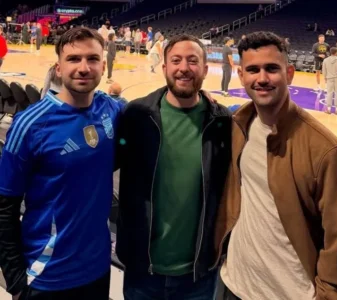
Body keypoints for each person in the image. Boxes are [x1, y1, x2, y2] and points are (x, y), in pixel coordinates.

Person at [214, 31, 337, 300]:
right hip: (233, 283)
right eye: (252, 70)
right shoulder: (239, 124)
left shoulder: (327, 150)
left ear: (290, 73)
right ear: (241, 75)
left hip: (289, 293)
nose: (261, 78)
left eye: (272, 69)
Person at [0, 27, 125, 300]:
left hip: (97, 270)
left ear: (103, 65)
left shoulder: (112, 110)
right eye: (73, 59)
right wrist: (16, 279)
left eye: (92, 59)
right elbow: (4, 206)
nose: (84, 67)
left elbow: (154, 111)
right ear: (58, 68)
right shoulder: (31, 124)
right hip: (45, 276)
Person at [115, 33, 232, 299]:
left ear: (204, 69)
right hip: (142, 269)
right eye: (176, 60)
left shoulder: (222, 121)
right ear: (165, 67)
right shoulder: (136, 115)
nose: (184, 68)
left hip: (198, 274)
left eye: (192, 61)